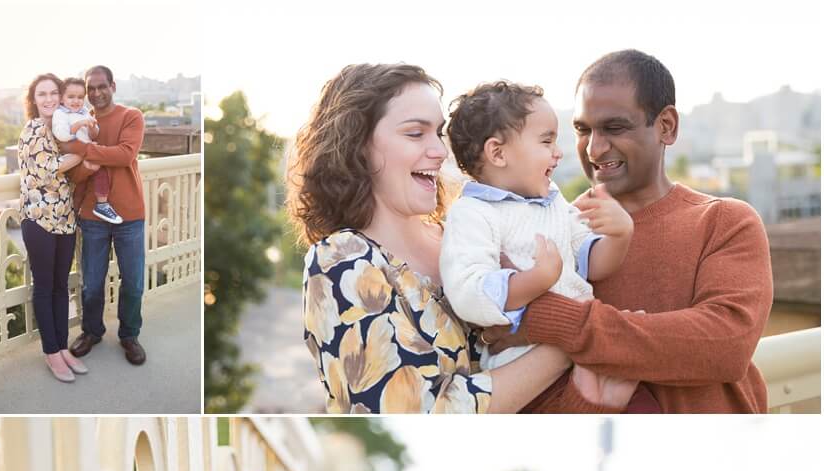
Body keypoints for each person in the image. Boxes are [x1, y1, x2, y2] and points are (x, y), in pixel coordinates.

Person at [489, 50, 774, 413]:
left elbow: (723, 346)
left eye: (614, 127)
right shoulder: (546, 231)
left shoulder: (725, 222)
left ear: (666, 126)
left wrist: (544, 319)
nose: (594, 148)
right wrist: (589, 398)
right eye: (582, 130)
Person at [288, 63, 574, 413]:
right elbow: (427, 411)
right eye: (414, 134)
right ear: (358, 146)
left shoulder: (467, 234)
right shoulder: (342, 261)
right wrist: (570, 342)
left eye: (438, 133)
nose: (439, 151)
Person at [441, 81, 633, 370]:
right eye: (546, 142)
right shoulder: (472, 214)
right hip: (522, 358)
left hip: (581, 341)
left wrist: (620, 235)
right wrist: (538, 279)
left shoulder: (552, 200)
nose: (558, 153)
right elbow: (468, 293)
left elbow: (591, 262)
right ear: (498, 154)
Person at [59, 65, 148, 366]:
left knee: (134, 282)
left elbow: (126, 155)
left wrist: (86, 150)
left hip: (130, 215)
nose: (96, 93)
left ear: (112, 85)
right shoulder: (80, 122)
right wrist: (85, 158)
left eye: (101, 86)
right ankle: (92, 332)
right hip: (93, 216)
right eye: (90, 88)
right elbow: (76, 173)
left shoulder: (131, 116)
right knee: (92, 283)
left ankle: (129, 335)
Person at [17, 72, 89, 383]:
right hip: (39, 219)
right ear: (34, 101)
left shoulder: (61, 129)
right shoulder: (32, 131)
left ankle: (63, 347)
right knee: (45, 287)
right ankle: (51, 353)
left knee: (62, 286)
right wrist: (85, 153)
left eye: (53, 93)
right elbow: (50, 170)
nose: (48, 99)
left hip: (65, 218)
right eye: (42, 94)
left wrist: (80, 150)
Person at [51, 77, 123, 225]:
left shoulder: (84, 112)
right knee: (80, 184)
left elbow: (94, 135)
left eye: (80, 97)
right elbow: (62, 135)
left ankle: (101, 204)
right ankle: (74, 212)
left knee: (98, 173)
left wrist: (92, 127)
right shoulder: (60, 114)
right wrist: (79, 124)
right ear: (62, 99)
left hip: (87, 153)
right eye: (71, 97)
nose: (76, 101)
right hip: (71, 156)